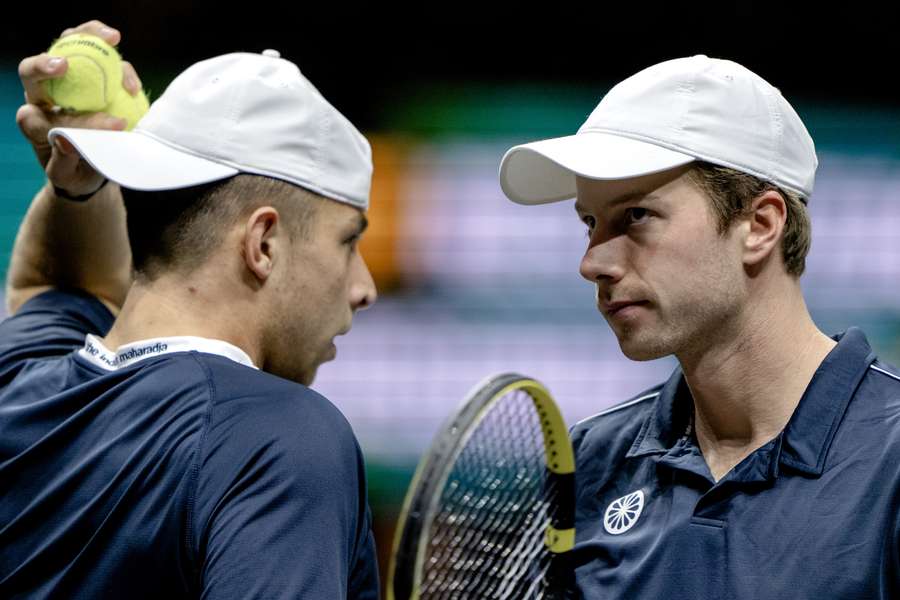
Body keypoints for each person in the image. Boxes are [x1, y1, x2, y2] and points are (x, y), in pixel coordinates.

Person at [0, 20, 379, 599]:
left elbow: (46, 283)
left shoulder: (19, 384)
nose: (364, 286)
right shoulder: (280, 438)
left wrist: (78, 187)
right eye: (348, 242)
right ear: (264, 244)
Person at [499, 55, 900, 598]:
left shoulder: (890, 457)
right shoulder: (589, 459)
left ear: (759, 226)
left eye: (636, 215)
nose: (592, 262)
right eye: (590, 223)